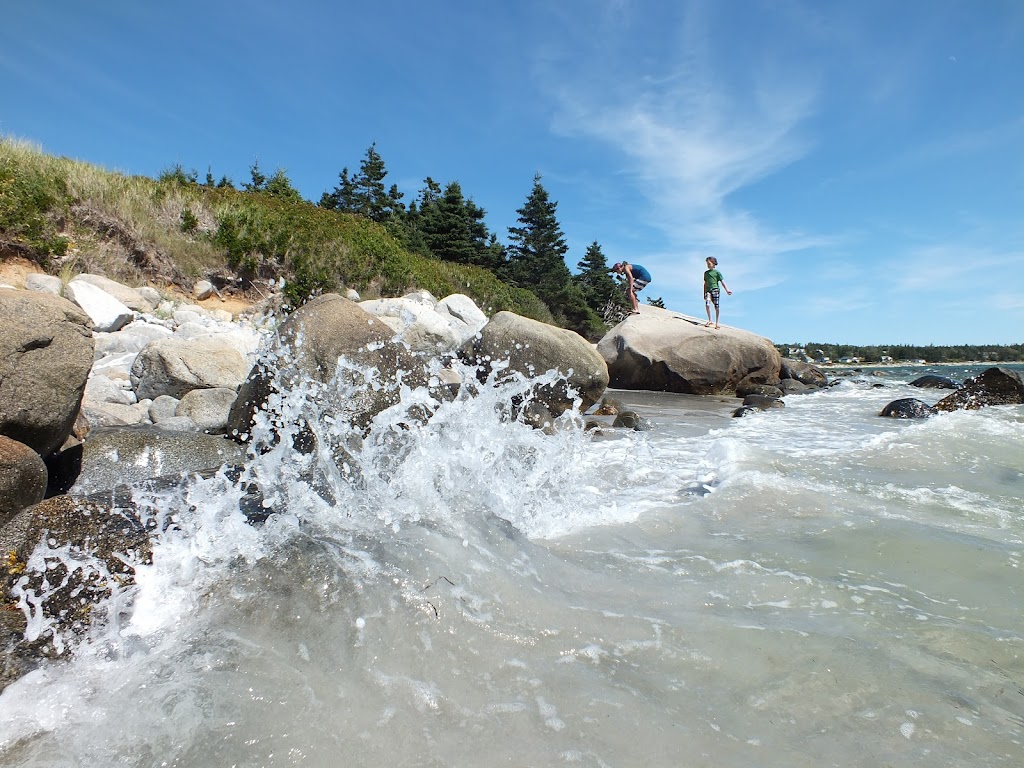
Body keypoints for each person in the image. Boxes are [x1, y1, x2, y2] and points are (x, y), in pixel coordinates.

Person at [702, 256, 732, 329]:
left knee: (716, 306)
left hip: (715, 290)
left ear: (713, 263)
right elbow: (705, 284)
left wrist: (727, 290)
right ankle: (710, 320)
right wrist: (704, 293)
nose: (708, 265)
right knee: (707, 304)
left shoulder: (717, 272)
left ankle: (717, 323)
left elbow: (722, 282)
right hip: (708, 290)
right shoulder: (706, 273)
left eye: (709, 263)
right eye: (707, 264)